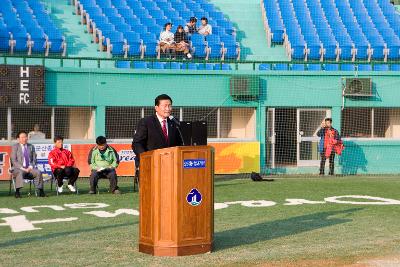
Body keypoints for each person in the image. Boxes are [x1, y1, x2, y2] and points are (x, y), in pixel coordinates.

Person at [132, 94, 183, 169]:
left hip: (171, 165)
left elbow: (179, 143)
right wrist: (145, 158)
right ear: (156, 108)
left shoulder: (174, 122)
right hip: (151, 165)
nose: (168, 109)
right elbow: (137, 144)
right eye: (165, 106)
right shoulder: (146, 122)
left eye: (169, 106)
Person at [10, 131, 46, 198]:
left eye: (25, 137)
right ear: (18, 139)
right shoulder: (15, 147)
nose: (24, 139)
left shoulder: (31, 146)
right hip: (19, 168)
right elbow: (14, 161)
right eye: (22, 137)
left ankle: (41, 191)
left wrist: (30, 167)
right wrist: (23, 168)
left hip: (29, 168)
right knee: (20, 172)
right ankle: (17, 191)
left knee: (38, 172)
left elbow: (34, 159)